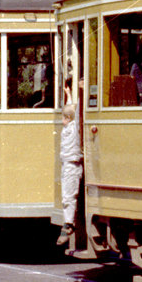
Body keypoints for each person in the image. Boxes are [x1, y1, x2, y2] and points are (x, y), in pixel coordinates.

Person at [56, 103, 82, 247]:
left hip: (71, 165)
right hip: (67, 164)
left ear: (68, 118)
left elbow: (76, 115)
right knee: (66, 195)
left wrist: (81, 91)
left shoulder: (73, 128)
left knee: (68, 196)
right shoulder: (68, 128)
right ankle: (68, 221)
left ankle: (68, 224)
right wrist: (69, 95)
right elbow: (73, 111)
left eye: (63, 117)